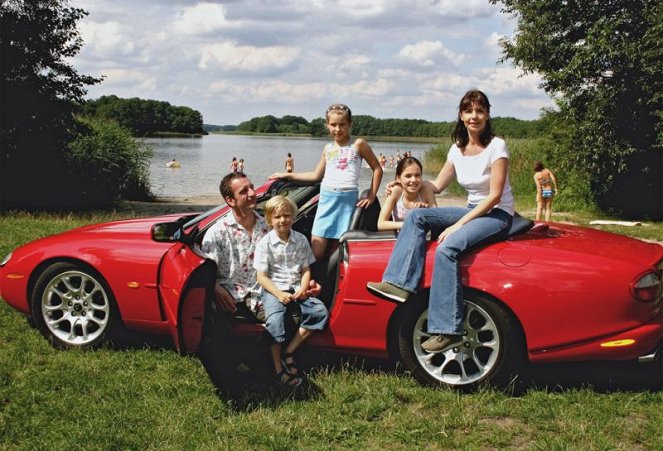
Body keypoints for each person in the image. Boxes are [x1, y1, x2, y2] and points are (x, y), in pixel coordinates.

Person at [367, 89, 514, 353]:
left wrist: (458, 225)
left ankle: (448, 329)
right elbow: (435, 185)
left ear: (488, 114)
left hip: (497, 214)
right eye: (469, 111)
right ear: (461, 114)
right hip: (472, 209)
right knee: (418, 217)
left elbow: (493, 197)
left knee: (448, 248)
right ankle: (399, 283)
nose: (474, 116)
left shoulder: (497, 146)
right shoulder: (457, 150)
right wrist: (402, 184)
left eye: (480, 110)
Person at [200, 173, 321, 380]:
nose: (252, 193)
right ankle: (253, 366)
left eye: (252, 187)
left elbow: (290, 258)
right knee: (219, 325)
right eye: (243, 191)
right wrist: (216, 289)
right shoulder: (217, 232)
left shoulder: (268, 225)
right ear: (230, 200)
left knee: (296, 315)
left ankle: (264, 360)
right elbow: (205, 270)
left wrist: (307, 283)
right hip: (233, 294)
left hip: (266, 290)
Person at [270, 103, 383, 260]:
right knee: (316, 252)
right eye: (333, 125)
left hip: (347, 202)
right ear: (327, 125)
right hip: (326, 201)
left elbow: (377, 169)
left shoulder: (358, 144)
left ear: (350, 124)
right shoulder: (327, 148)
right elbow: (316, 175)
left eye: (342, 124)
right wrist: (288, 175)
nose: (338, 129)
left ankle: (333, 281)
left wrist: (371, 195)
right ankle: (314, 281)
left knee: (338, 252)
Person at [255, 195, 329, 387]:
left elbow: (305, 269)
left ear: (293, 217)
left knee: (319, 311)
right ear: (270, 220)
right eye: (277, 217)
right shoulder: (265, 243)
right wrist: (279, 295)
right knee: (275, 320)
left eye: (287, 215)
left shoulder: (301, 240)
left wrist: (304, 289)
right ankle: (277, 367)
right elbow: (262, 277)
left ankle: (289, 351)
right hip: (274, 289)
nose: (283, 220)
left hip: (296, 287)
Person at [377, 156, 437, 231]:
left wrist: (425, 212)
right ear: (398, 178)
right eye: (408, 176)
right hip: (401, 237)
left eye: (417, 175)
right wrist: (410, 223)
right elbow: (381, 224)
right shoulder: (395, 191)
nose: (414, 180)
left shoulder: (426, 190)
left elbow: (437, 220)